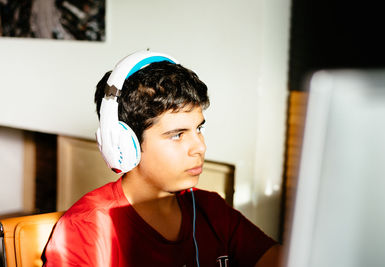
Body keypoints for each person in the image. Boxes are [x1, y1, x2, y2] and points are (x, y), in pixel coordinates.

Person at [43, 51, 282, 266]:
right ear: (125, 144)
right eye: (177, 135)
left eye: (198, 129)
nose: (199, 147)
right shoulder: (88, 228)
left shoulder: (211, 209)